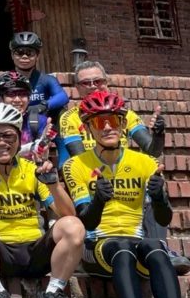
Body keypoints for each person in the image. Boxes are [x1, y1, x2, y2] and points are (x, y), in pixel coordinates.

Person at [62, 90, 190, 298]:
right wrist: (98, 200)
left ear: (123, 124)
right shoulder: (75, 165)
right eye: (99, 122)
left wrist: (160, 198)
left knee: (157, 248)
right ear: (88, 128)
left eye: (114, 121)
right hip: (98, 245)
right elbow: (86, 222)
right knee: (121, 247)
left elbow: (164, 218)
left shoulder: (145, 162)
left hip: (136, 241)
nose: (107, 127)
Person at [58, 60, 187, 273]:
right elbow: (79, 158)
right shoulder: (70, 118)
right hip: (92, 176)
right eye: (85, 83)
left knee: (152, 187)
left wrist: (159, 134)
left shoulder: (124, 114)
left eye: (98, 81)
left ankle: (159, 249)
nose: (92, 86)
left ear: (107, 82)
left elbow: (151, 150)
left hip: (122, 171)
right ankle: (96, 247)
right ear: (77, 88)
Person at [0, 103, 84, 298]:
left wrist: (54, 184)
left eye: (8, 136)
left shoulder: (31, 169)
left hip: (35, 250)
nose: (1, 142)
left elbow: (68, 214)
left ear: (19, 138)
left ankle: (53, 295)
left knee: (74, 226)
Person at [0, 32, 69, 120]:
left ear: (37, 56)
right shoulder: (0, 81)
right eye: (19, 52)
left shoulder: (48, 80)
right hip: (11, 121)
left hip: (40, 120)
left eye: (30, 53)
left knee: (62, 111)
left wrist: (42, 106)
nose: (25, 56)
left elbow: (63, 96)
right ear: (12, 56)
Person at [0, 72, 51, 160]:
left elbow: (42, 154)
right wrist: (31, 147)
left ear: (29, 99)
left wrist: (44, 141)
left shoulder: (39, 121)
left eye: (23, 94)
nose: (17, 100)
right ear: (0, 99)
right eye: (11, 94)